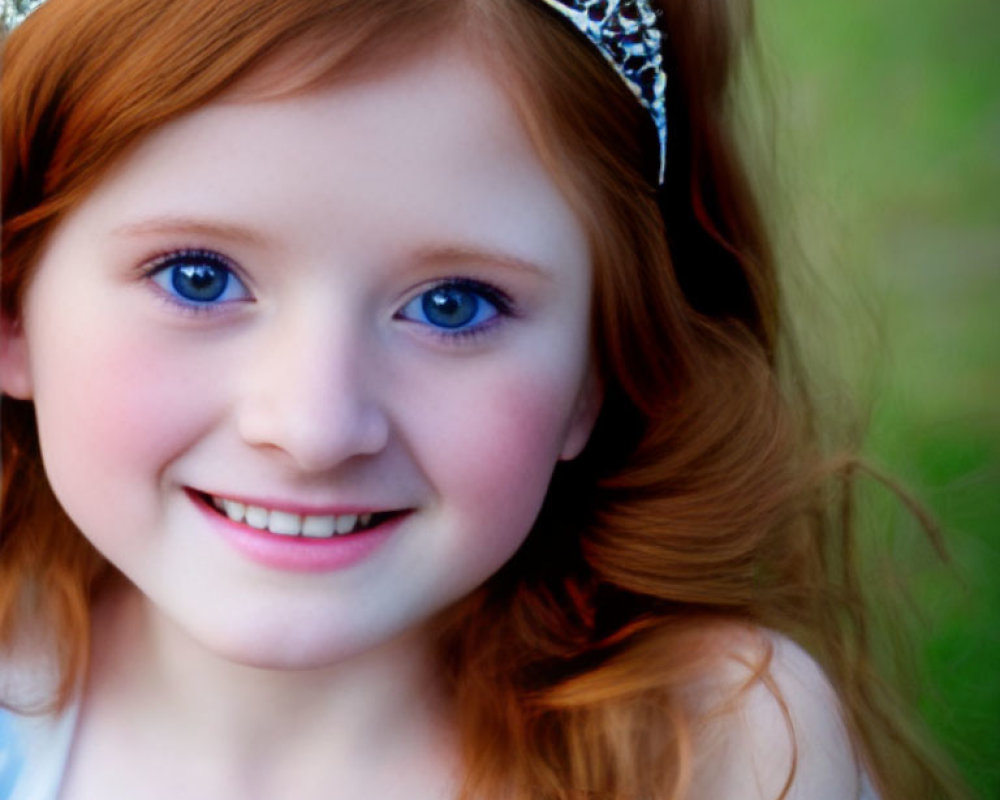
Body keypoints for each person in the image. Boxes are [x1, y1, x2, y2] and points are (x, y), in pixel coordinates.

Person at [0, 0, 965, 798]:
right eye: (198, 278)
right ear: (12, 310)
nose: (314, 428)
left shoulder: (704, 750)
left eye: (452, 304)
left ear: (601, 362)